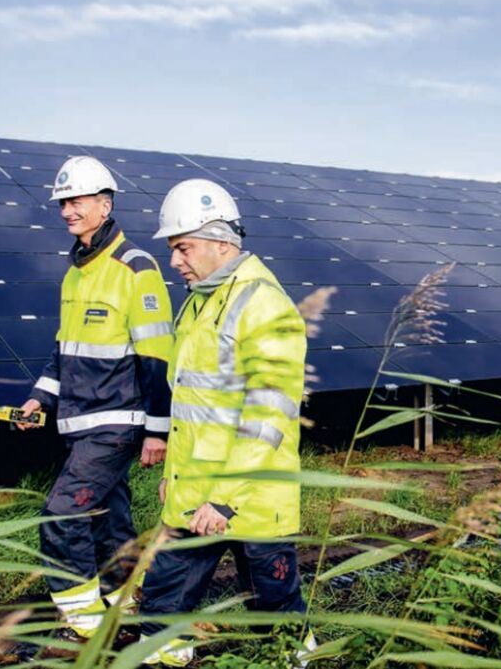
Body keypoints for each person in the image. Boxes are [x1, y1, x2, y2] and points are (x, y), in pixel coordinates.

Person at [138, 178, 311, 666]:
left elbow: (268, 410)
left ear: (221, 241)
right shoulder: (198, 301)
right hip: (196, 491)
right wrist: (175, 475)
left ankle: (294, 659)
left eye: (183, 248)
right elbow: (189, 404)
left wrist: (227, 496)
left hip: (249, 497)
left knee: (274, 610)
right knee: (161, 607)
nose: (175, 262)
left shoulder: (263, 303)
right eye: (174, 250)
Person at [19, 155, 174, 642]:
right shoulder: (75, 272)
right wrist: (38, 400)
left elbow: (157, 357)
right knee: (108, 516)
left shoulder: (136, 268)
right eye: (63, 202)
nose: (68, 210)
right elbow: (64, 350)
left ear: (104, 205)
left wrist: (157, 429)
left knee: (62, 515)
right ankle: (127, 599)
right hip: (78, 420)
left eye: (78, 201)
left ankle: (83, 621)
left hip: (117, 423)